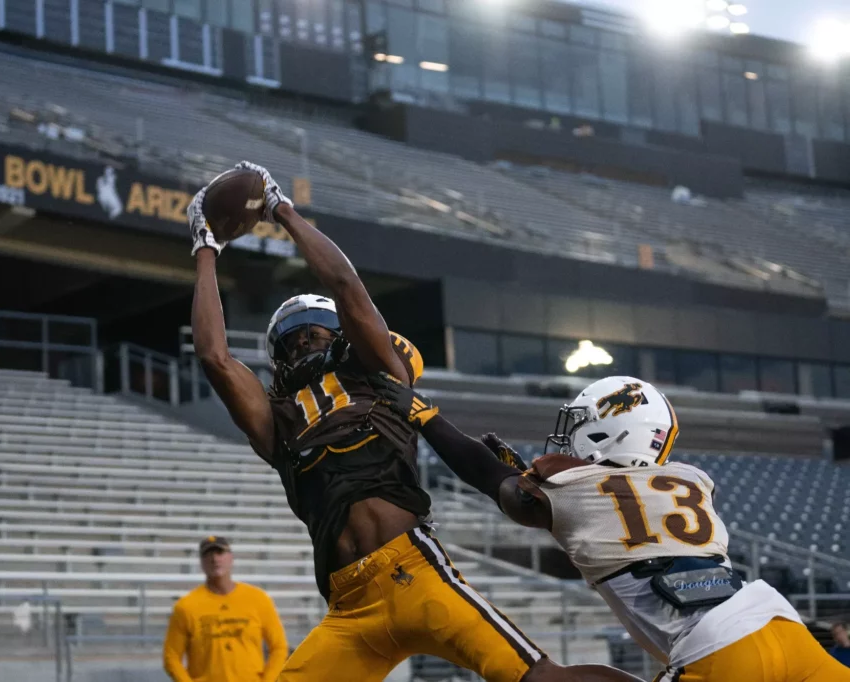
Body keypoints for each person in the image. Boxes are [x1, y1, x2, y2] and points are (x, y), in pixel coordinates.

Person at [187, 161, 641, 682]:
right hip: (348, 608)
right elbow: (215, 357)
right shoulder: (278, 421)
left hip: (416, 572)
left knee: (539, 679)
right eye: (292, 340)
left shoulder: (380, 376)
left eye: (314, 333)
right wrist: (205, 248)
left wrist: (281, 209)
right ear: (277, 361)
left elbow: (345, 284)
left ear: (339, 339)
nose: (304, 342)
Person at [370, 372, 850, 681]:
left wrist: (427, 417)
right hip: (782, 625)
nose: (569, 437)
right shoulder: (693, 480)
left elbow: (486, 476)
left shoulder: (569, 487)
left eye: (581, 425)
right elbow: (618, 504)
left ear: (611, 431)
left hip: (717, 653)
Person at [162, 535, 288, 682]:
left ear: (231, 557)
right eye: (208, 554)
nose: (215, 559)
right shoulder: (186, 606)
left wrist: (268, 679)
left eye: (220, 553)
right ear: (201, 562)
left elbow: (279, 647)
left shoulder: (258, 599)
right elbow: (171, 656)